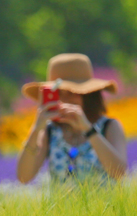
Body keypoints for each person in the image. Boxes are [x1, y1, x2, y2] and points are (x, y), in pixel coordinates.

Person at [17, 53, 128, 184]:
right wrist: (36, 129)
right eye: (58, 94)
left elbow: (119, 173)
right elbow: (24, 177)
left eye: (72, 93)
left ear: (88, 96)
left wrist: (88, 130)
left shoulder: (109, 126)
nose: (64, 100)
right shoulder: (50, 131)